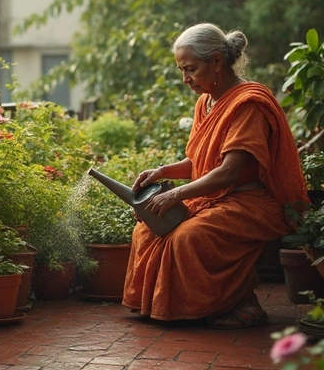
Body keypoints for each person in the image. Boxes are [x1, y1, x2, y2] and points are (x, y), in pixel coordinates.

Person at [124, 22, 309, 328]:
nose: (185, 79)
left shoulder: (248, 103)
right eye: (182, 70)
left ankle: (240, 305)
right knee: (148, 229)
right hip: (216, 197)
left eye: (191, 69)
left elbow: (227, 172)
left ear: (217, 62)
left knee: (188, 237)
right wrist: (162, 172)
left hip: (253, 201)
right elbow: (198, 162)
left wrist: (175, 194)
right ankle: (172, 306)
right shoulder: (205, 102)